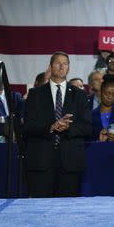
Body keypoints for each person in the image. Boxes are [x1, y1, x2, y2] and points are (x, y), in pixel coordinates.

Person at [24, 52, 92, 197]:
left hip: (70, 162)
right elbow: (28, 126)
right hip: (41, 161)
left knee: (67, 211)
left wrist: (69, 127)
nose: (61, 66)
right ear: (50, 67)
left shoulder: (79, 95)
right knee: (41, 209)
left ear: (68, 68)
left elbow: (87, 127)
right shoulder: (35, 94)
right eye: (58, 63)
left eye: (65, 63)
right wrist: (51, 127)